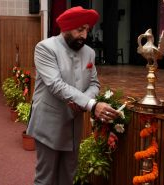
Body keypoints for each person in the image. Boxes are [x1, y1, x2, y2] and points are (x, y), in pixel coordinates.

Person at [26, 6, 120, 185]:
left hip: (74, 126)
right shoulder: (45, 48)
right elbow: (56, 84)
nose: (84, 35)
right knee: (45, 179)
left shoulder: (89, 52)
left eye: (87, 30)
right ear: (66, 28)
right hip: (49, 123)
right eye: (80, 29)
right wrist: (91, 105)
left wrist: (85, 101)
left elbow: (94, 84)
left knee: (68, 177)